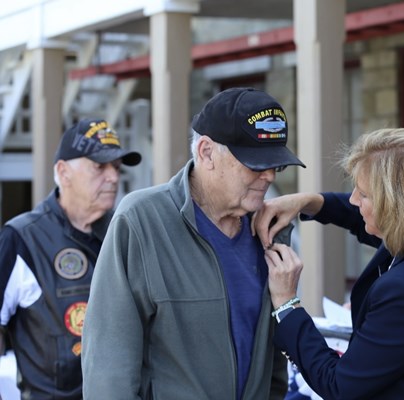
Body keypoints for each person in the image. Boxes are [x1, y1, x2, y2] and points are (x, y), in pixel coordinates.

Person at [81, 87, 305, 400]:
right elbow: (108, 367)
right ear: (206, 152)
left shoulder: (271, 232)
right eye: (255, 163)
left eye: (276, 165)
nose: (268, 175)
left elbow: (272, 367)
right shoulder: (142, 221)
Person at [254, 128, 404, 399]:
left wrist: (286, 304)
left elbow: (338, 386)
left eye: (363, 194)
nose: (354, 199)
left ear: (399, 207)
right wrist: (311, 202)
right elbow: (367, 219)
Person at [0, 118, 141, 400]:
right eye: (99, 167)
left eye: (116, 167)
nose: (113, 177)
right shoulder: (22, 239)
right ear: (63, 172)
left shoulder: (127, 233)